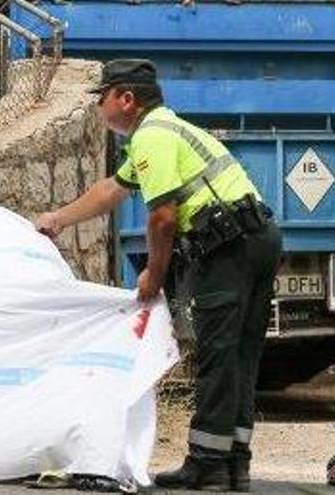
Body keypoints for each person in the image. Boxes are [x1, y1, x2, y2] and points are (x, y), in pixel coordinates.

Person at [36, 59, 282, 491]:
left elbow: (163, 218)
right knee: (240, 357)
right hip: (258, 239)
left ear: (126, 100)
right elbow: (111, 189)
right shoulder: (168, 130)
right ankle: (232, 464)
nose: (98, 106)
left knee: (218, 355)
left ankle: (208, 464)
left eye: (102, 97)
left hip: (228, 248)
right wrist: (58, 218)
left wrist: (153, 272)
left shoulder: (151, 136)